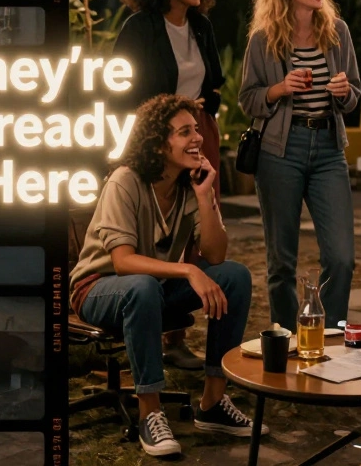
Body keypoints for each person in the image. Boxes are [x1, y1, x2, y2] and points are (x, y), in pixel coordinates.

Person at [69, 94, 259, 458]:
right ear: (158, 143)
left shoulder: (189, 184)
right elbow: (123, 262)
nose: (197, 138)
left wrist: (205, 196)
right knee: (140, 287)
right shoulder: (125, 181)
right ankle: (149, 413)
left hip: (152, 288)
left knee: (234, 276)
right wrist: (188, 270)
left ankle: (213, 403)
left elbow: (217, 255)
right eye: (184, 132)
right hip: (97, 289)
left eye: (197, 130)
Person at [112, 0, 228, 370]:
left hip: (200, 135)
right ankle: (145, 329)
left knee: (198, 229)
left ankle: (176, 338)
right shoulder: (139, 26)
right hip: (156, 140)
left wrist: (202, 110)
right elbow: (121, 87)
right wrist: (167, 118)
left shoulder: (202, 26)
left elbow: (214, 82)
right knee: (154, 231)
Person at [239, 0, 360, 330]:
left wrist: (343, 92)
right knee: (281, 262)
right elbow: (248, 99)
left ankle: (334, 338)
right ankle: (286, 340)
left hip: (328, 149)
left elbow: (354, 93)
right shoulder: (263, 39)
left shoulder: (337, 32)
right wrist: (278, 89)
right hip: (280, 151)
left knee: (342, 256)